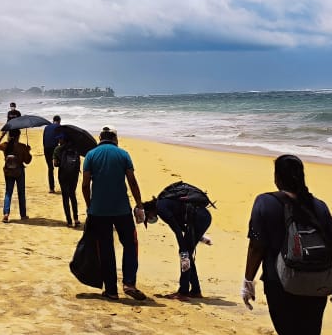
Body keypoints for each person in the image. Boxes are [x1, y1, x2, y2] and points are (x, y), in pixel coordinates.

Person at [242, 154, 332, 335]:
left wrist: (248, 281)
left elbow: (257, 246)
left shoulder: (264, 202)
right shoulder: (318, 206)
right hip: (317, 286)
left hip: (280, 286)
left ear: (277, 178)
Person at [81, 127, 147, 300]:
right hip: (122, 209)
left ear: (100, 138)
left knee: (106, 249)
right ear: (115, 139)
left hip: (98, 211)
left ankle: (111, 290)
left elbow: (85, 185)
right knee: (130, 244)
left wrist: (89, 206)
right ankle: (129, 283)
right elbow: (132, 182)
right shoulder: (123, 154)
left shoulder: (90, 155)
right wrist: (139, 204)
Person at [143, 186, 213, 299]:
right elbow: (181, 227)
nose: (150, 219)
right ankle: (195, 290)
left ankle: (183, 292)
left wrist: (183, 249)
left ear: (148, 211)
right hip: (202, 217)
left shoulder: (161, 208)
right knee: (187, 254)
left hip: (200, 218)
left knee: (185, 255)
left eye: (147, 217)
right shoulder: (162, 205)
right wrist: (200, 239)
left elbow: (177, 230)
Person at [0, 128, 32, 221]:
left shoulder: (6, 145)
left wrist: (1, 136)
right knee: (21, 193)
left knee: (8, 192)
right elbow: (27, 161)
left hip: (8, 171)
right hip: (19, 171)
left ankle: (6, 214)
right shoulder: (22, 146)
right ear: (18, 136)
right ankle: (23, 215)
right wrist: (28, 151)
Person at [53, 139, 82, 228]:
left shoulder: (57, 149)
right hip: (74, 175)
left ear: (62, 139)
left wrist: (61, 162)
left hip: (63, 175)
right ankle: (76, 219)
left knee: (65, 197)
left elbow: (55, 164)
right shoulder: (75, 148)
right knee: (72, 195)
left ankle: (69, 221)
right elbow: (78, 162)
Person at [43, 115, 63, 193]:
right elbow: (61, 140)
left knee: (50, 168)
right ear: (59, 121)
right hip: (54, 148)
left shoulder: (46, 127)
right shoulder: (59, 127)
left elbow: (44, 140)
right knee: (61, 166)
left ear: (53, 120)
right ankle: (63, 186)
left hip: (46, 149)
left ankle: (51, 188)